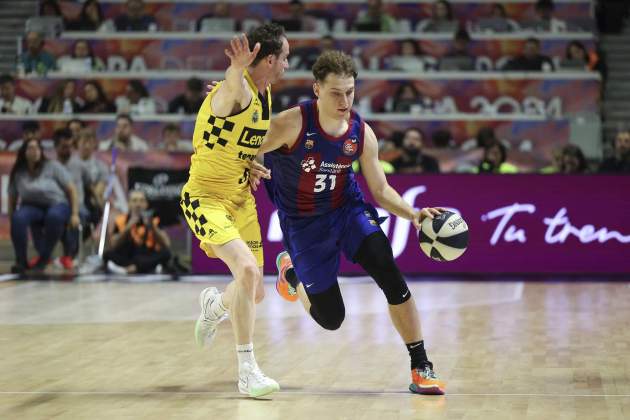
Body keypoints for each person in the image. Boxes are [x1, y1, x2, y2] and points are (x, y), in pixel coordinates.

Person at [255, 50, 446, 395]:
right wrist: (248, 163)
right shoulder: (290, 123)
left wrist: (414, 216)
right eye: (336, 93)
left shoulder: (361, 132)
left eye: (351, 92)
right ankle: (293, 273)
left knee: (388, 270)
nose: (345, 100)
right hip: (303, 224)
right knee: (331, 319)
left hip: (347, 211)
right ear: (317, 89)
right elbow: (245, 144)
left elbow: (381, 189)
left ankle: (421, 365)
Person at [179, 23, 289, 398]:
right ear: (270, 59)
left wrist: (252, 163)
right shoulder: (237, 88)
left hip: (241, 200)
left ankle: (214, 307)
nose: (288, 65)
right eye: (285, 58)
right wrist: (235, 68)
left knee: (254, 289)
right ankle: (247, 371)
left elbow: (253, 138)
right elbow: (229, 91)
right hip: (205, 198)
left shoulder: (266, 94)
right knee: (245, 269)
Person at [8, 138, 80, 274]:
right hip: (31, 207)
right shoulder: (18, 172)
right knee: (18, 218)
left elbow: (72, 190)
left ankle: (44, 257)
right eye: (31, 148)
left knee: (54, 216)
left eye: (37, 148)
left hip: (57, 204)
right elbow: (12, 198)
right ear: (24, 152)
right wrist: (12, 219)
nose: (35, 151)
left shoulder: (52, 166)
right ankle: (21, 261)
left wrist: (75, 213)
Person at [104, 189, 171, 274]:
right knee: (107, 254)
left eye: (141, 201)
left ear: (146, 204)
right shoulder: (121, 220)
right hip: (127, 256)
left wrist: (153, 228)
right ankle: (145, 268)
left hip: (147, 255)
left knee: (166, 254)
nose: (138, 204)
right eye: (134, 201)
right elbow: (113, 244)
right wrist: (128, 226)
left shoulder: (154, 220)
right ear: (129, 204)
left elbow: (167, 244)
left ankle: (129, 269)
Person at [53, 128, 93, 268]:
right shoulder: (50, 166)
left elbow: (90, 184)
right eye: (64, 147)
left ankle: (70, 255)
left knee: (77, 218)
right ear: (56, 147)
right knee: (51, 218)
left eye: (70, 146)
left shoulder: (79, 164)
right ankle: (45, 256)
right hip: (58, 206)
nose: (68, 150)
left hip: (78, 206)